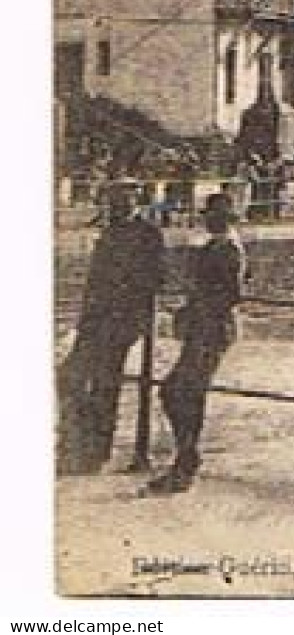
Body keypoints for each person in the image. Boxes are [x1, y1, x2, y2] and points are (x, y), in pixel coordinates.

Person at [57, 179, 166, 475]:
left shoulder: (148, 234)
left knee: (105, 381)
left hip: (123, 321)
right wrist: (85, 320)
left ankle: (95, 451)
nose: (118, 206)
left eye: (124, 201)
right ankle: (75, 440)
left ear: (135, 202)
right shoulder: (108, 233)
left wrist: (129, 309)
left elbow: (156, 279)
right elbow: (94, 282)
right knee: (68, 374)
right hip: (96, 319)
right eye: (114, 201)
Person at [146, 192, 246, 494]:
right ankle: (186, 458)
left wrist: (194, 309)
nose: (208, 220)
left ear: (224, 220)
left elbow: (231, 295)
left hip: (213, 330)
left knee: (179, 390)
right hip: (205, 328)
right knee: (182, 391)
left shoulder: (228, 248)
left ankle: (187, 461)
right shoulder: (216, 246)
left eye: (213, 217)